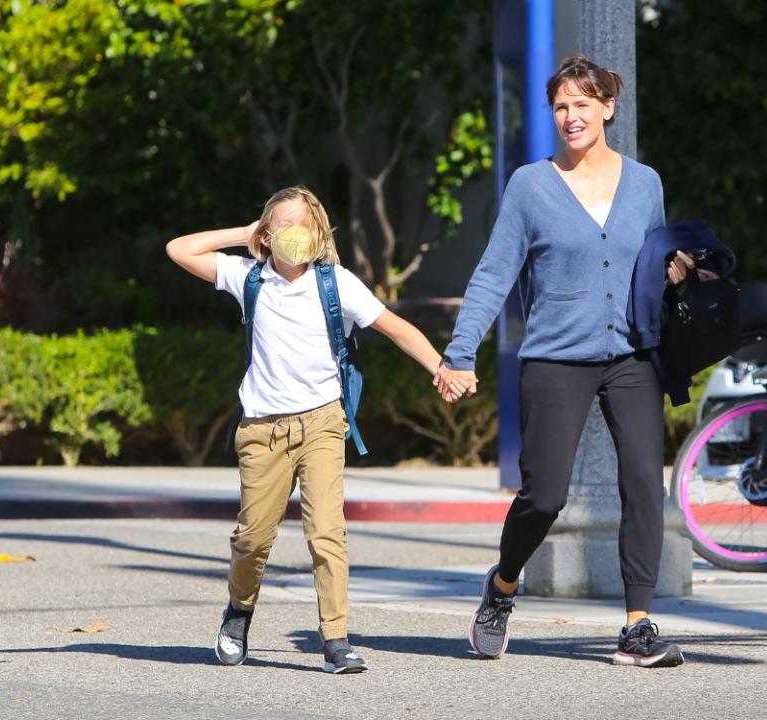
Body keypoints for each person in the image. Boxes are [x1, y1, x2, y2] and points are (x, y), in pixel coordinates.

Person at [435, 54, 692, 668]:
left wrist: (678, 274)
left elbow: (652, 265)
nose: (571, 116)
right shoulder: (530, 185)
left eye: (583, 103)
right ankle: (501, 589)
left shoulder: (646, 182)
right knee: (544, 496)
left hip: (632, 355)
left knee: (643, 485)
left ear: (607, 107)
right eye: (560, 106)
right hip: (556, 356)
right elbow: (496, 272)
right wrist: (460, 349)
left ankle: (637, 626)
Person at [167, 186, 466, 673]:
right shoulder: (248, 278)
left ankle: (335, 638)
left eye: (305, 224)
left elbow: (396, 327)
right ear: (267, 234)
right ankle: (239, 612)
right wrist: (243, 234)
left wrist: (442, 369)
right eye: (284, 225)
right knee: (252, 539)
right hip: (262, 429)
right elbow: (178, 249)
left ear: (320, 232)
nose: (296, 234)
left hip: (323, 422)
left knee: (328, 533)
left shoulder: (337, 284)